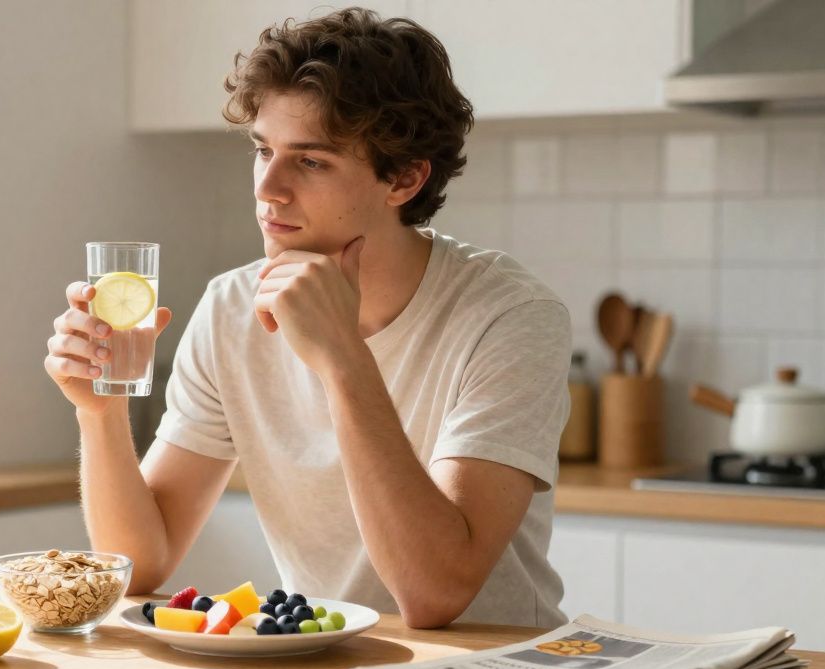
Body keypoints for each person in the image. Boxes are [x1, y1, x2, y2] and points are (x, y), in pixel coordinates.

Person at [44, 7, 570, 628]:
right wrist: (99, 416)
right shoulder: (230, 308)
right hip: (324, 664)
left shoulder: (509, 315)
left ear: (403, 178)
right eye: (263, 150)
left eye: (311, 161)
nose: (268, 188)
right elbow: (140, 564)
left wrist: (342, 357)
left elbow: (435, 595)